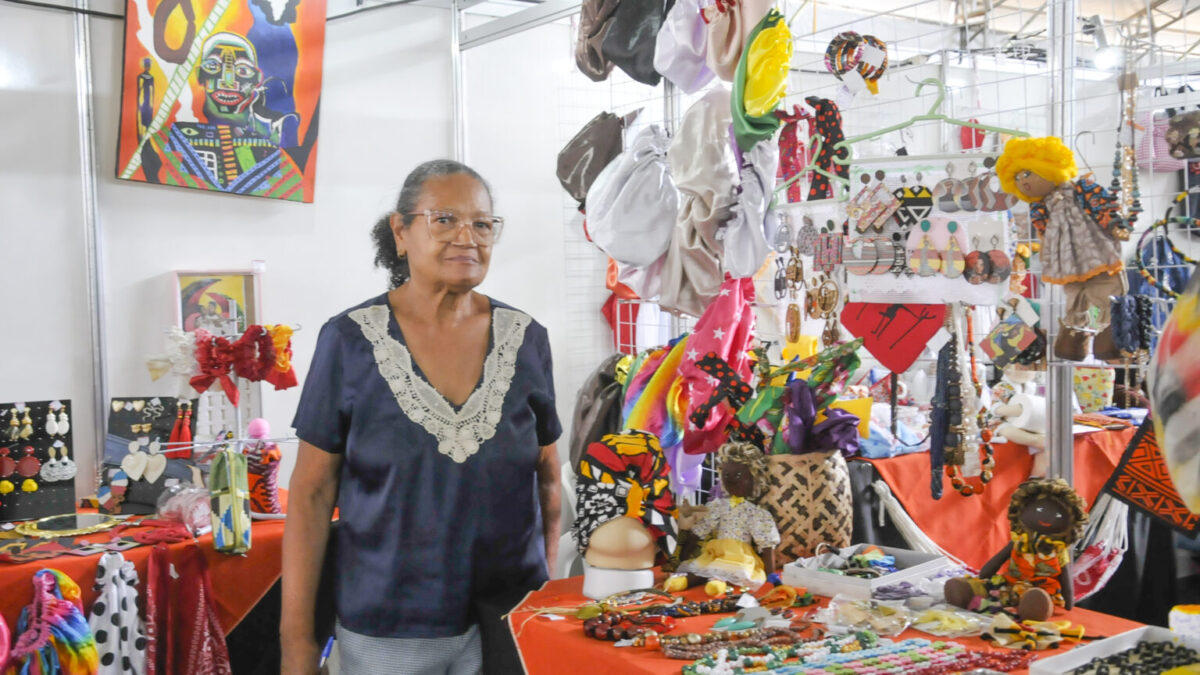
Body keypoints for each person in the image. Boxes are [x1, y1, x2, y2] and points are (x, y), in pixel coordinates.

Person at [280, 159, 563, 675]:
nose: (467, 237)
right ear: (400, 230)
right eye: (444, 220)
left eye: (482, 223)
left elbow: (547, 478)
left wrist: (538, 600)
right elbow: (311, 495)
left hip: (511, 622)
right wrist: (296, 644)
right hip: (389, 627)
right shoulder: (349, 341)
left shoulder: (527, 339)